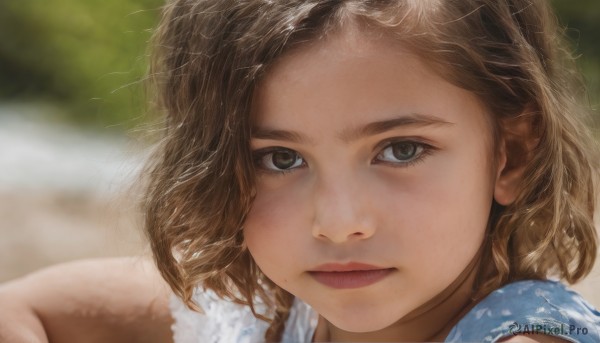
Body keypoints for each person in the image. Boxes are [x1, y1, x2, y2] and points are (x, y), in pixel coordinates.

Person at [1, 0, 599, 342]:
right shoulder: (260, 316)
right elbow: (20, 311)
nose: (339, 224)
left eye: (401, 150)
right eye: (279, 159)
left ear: (512, 153)